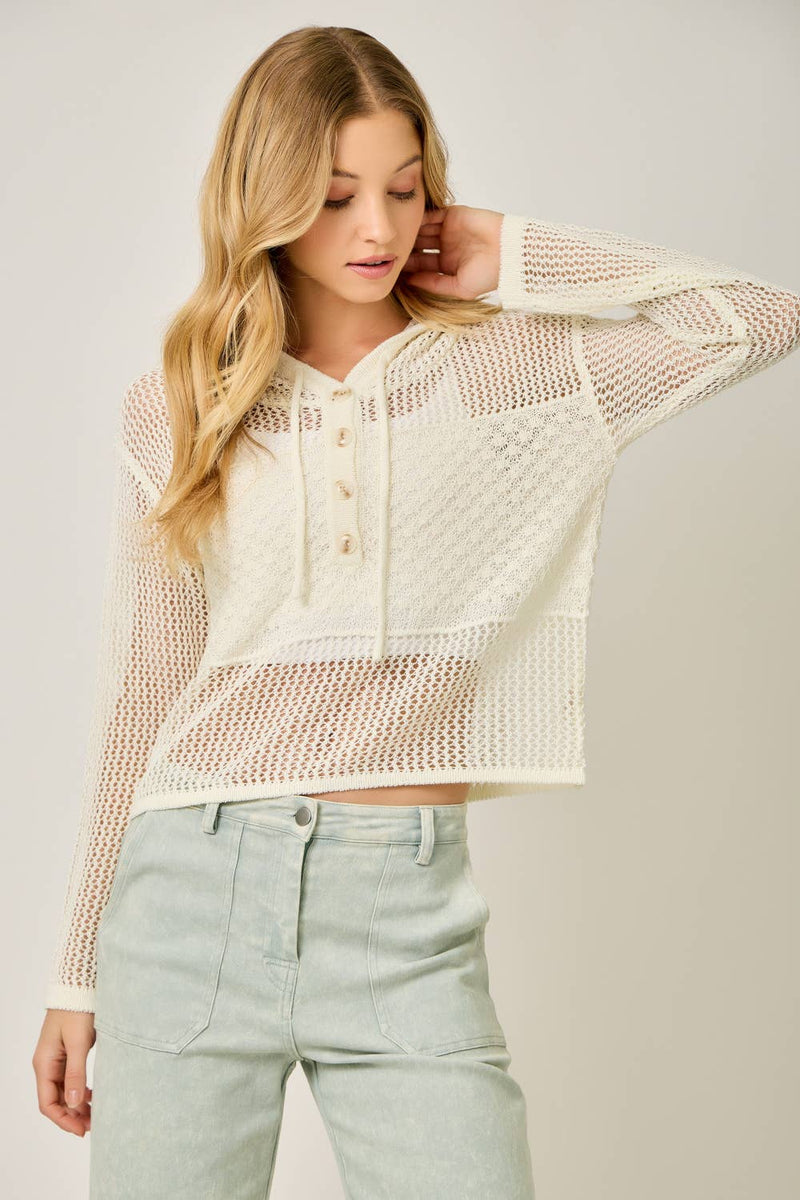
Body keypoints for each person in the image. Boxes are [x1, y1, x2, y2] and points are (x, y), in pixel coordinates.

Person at [31, 24, 800, 1200]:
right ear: (264, 198)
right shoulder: (178, 405)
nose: (377, 230)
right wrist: (77, 971)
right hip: (191, 899)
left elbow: (756, 317)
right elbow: (142, 694)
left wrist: (511, 250)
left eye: (403, 189)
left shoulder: (512, 373)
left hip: (404, 915)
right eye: (334, 196)